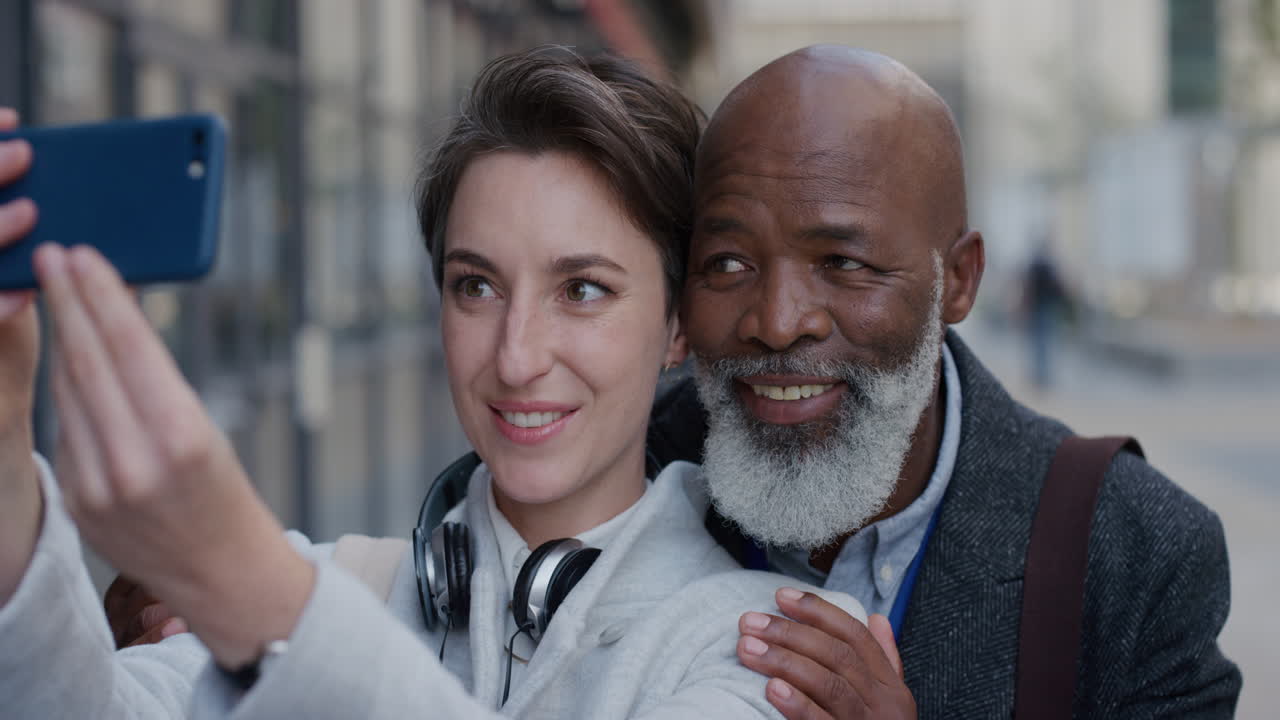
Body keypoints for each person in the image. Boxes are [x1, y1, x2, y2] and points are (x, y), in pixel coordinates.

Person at [0, 50, 879, 719]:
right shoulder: (333, 587)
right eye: (476, 285)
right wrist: (5, 438)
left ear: (677, 327)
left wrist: (258, 593)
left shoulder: (767, 646)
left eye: (582, 290)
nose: (516, 354)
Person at [644, 46, 1241, 719]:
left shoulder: (1135, 557)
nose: (778, 323)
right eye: (727, 263)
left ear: (958, 280)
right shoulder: (609, 471)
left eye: (843, 261)